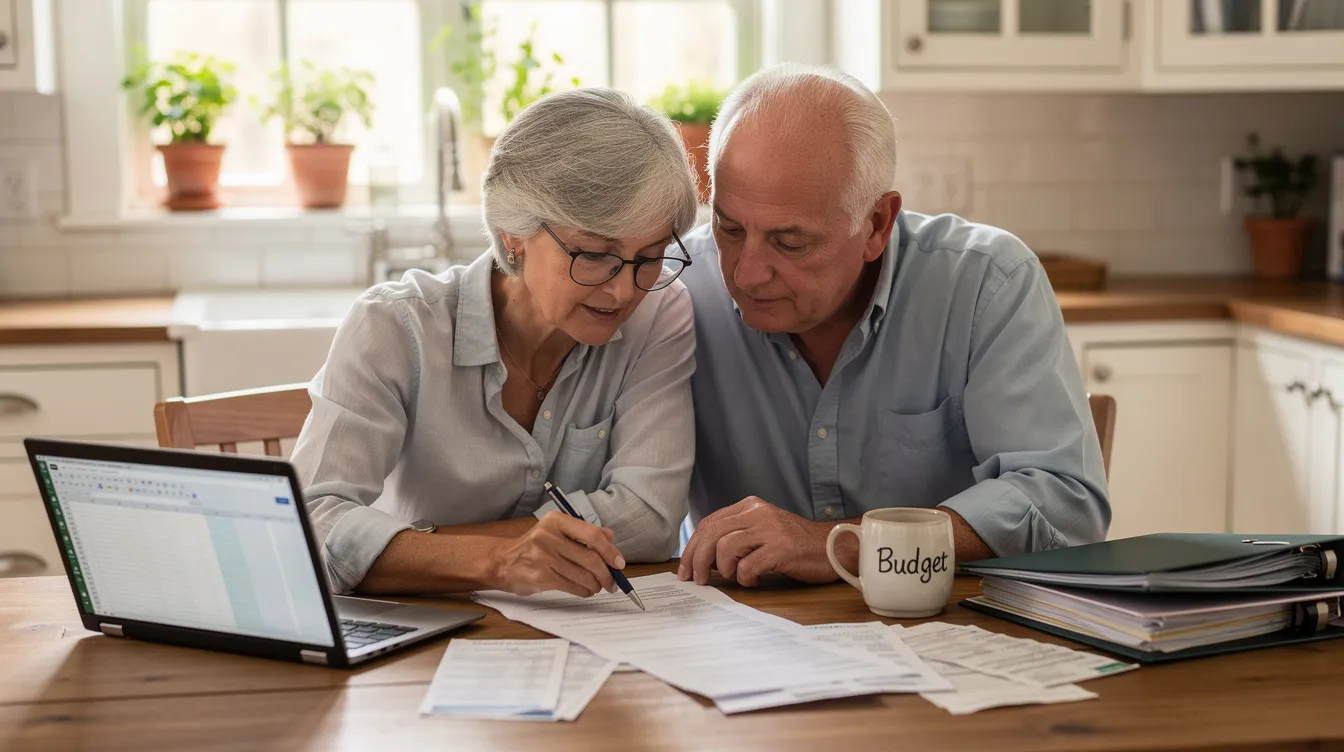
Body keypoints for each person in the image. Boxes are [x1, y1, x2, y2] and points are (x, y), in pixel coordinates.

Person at [676, 64, 1110, 588]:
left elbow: (1065, 503)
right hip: (735, 639)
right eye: (728, 227)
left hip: (948, 631)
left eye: (790, 243)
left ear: (877, 223)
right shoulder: (676, 289)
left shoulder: (985, 284)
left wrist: (842, 543)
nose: (746, 273)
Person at [292, 88, 699, 598]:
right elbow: (311, 524)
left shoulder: (660, 313)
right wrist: (497, 560)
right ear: (512, 233)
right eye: (595, 254)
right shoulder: (393, 327)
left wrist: (414, 549)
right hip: (419, 641)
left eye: (650, 255)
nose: (624, 290)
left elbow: (651, 515)